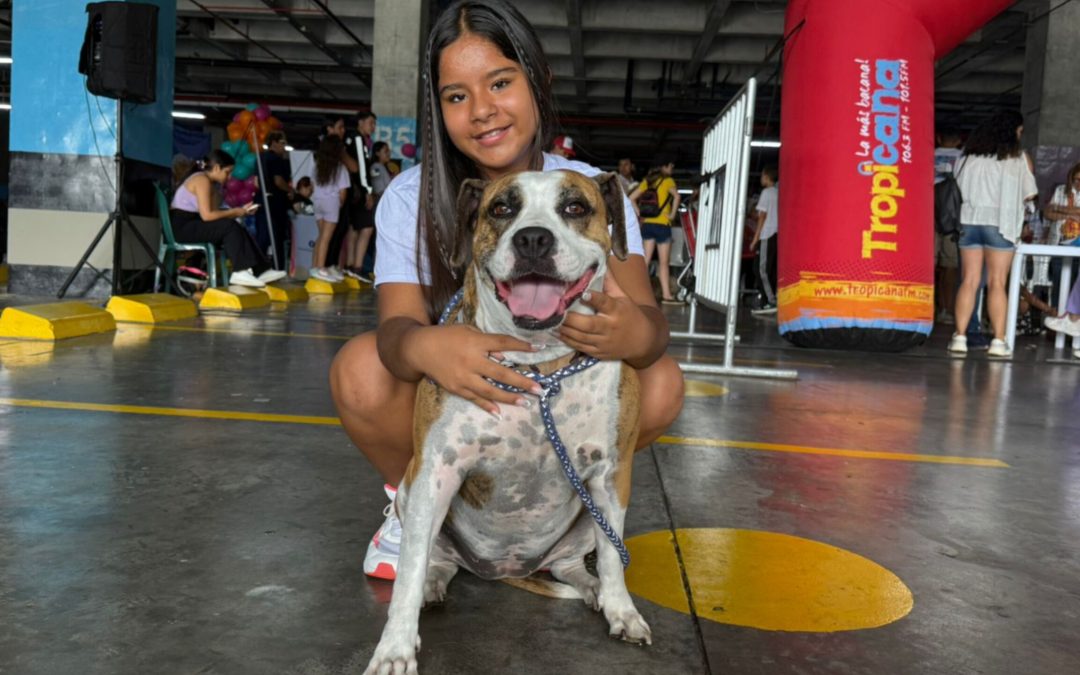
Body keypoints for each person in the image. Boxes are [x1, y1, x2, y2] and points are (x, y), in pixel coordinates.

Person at [328, 0, 684, 581]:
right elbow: (395, 331)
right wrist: (429, 347)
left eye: (500, 82)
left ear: (538, 82)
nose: (483, 111)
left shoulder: (593, 189)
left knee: (662, 383)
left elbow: (651, 329)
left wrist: (634, 331)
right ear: (437, 107)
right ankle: (413, 508)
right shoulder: (411, 196)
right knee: (360, 369)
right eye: (456, 96)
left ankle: (550, 516)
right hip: (465, 396)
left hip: (567, 393)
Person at [949, 110, 1038, 358]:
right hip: (1001, 224)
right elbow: (1030, 194)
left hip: (968, 222)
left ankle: (959, 337)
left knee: (969, 281)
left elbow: (955, 186)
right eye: (1019, 131)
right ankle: (998, 341)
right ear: (1012, 131)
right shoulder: (1018, 157)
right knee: (997, 282)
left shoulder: (968, 157)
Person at [170, 150, 286, 288]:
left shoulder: (205, 181)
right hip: (183, 227)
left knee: (236, 226)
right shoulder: (202, 180)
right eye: (228, 172)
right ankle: (240, 271)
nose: (230, 177)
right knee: (229, 226)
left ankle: (261, 270)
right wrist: (235, 212)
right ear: (217, 168)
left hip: (191, 223)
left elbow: (213, 213)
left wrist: (240, 210)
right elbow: (207, 216)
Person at [630, 155, 682, 304]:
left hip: (648, 225)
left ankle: (637, 294)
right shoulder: (668, 181)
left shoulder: (648, 181)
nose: (671, 169)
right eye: (670, 166)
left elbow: (632, 197)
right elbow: (677, 197)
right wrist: (671, 215)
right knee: (663, 263)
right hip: (662, 225)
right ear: (664, 167)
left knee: (644, 262)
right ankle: (666, 295)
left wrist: (640, 214)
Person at [348, 140, 393, 283]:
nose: (388, 154)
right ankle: (364, 268)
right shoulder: (376, 168)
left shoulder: (383, 168)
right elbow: (380, 189)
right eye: (385, 151)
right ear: (377, 152)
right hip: (378, 207)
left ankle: (374, 269)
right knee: (374, 238)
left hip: (382, 206)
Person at [309, 135, 351, 282]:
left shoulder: (317, 165)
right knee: (327, 238)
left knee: (320, 236)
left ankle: (314, 267)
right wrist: (339, 204)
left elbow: (312, 186)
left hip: (317, 201)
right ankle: (320, 269)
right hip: (332, 202)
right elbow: (343, 192)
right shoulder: (340, 168)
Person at [343, 112, 378, 281]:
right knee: (367, 227)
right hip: (359, 190)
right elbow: (362, 168)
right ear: (360, 122)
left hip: (352, 190)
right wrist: (367, 191)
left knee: (354, 228)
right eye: (371, 123)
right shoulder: (357, 139)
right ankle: (356, 267)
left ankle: (350, 265)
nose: (373, 127)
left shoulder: (352, 138)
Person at [934, 130, 963, 323]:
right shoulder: (964, 159)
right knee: (951, 268)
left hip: (927, 218)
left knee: (930, 267)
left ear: (938, 137)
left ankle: (931, 308)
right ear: (960, 140)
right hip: (952, 220)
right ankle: (947, 309)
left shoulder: (926, 155)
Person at [254, 131, 293, 271]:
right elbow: (278, 181)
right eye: (282, 143)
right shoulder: (276, 159)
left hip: (261, 202)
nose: (284, 147)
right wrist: (291, 191)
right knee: (277, 239)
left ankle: (257, 268)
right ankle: (278, 269)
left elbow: (257, 182)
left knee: (262, 239)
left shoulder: (259, 158)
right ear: (274, 143)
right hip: (275, 203)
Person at [750, 166, 779, 314]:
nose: (761, 178)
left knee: (761, 270)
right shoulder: (778, 193)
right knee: (769, 269)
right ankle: (766, 301)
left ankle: (770, 300)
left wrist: (755, 239)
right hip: (775, 234)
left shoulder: (766, 193)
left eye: (762, 175)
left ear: (767, 177)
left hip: (766, 234)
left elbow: (762, 217)